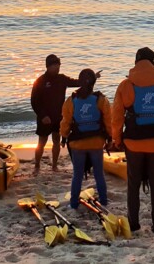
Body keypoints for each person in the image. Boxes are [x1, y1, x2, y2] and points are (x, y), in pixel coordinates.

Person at [111, 47, 154, 236]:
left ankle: (133, 224)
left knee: (133, 185)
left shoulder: (126, 85)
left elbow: (117, 116)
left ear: (135, 61)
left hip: (132, 143)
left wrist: (117, 139)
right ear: (153, 63)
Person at [31, 54, 100, 174]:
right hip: (45, 118)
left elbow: (77, 82)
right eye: (54, 66)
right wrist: (42, 116)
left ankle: (54, 165)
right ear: (48, 66)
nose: (57, 68)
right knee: (41, 142)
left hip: (58, 116)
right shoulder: (40, 81)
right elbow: (34, 101)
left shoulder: (62, 78)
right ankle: (37, 165)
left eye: (58, 65)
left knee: (56, 140)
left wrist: (93, 77)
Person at [60, 69, 112, 210]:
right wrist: (110, 138)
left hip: (77, 145)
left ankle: (74, 203)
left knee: (77, 175)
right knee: (98, 173)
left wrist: (63, 136)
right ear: (94, 83)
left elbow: (66, 122)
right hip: (96, 143)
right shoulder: (101, 100)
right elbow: (108, 121)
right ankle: (104, 201)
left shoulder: (71, 100)